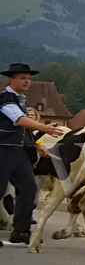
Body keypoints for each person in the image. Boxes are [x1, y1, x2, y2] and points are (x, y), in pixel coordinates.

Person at [0, 63, 64, 245]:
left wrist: (36, 145)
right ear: (11, 79)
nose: (27, 81)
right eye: (22, 77)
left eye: (28, 78)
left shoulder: (20, 99)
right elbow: (19, 120)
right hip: (3, 150)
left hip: (19, 153)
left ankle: (21, 231)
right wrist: (44, 128)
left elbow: (23, 128)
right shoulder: (5, 99)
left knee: (28, 189)